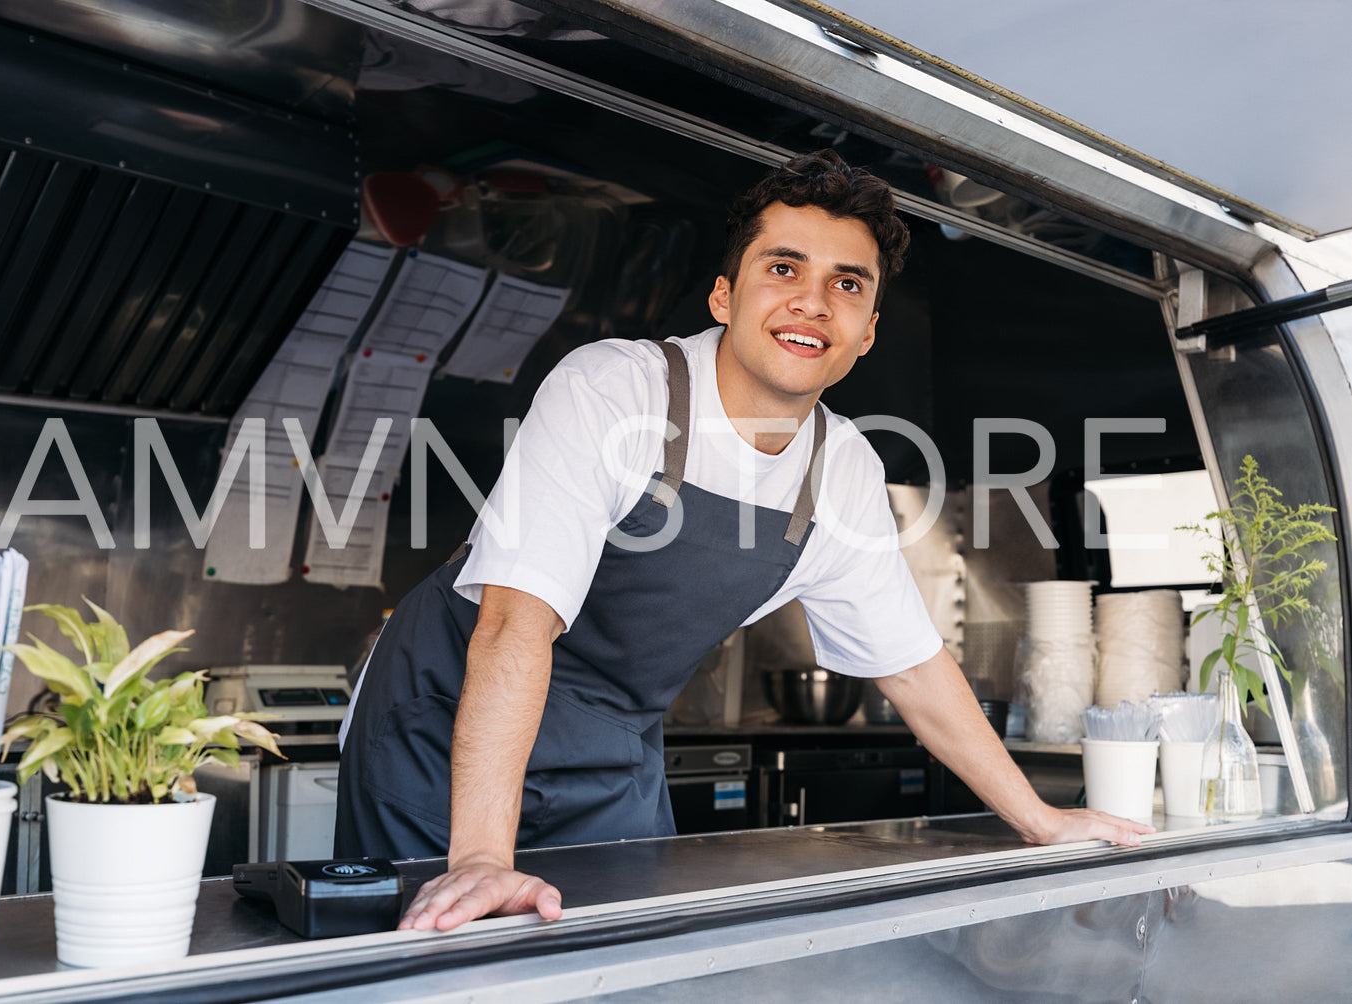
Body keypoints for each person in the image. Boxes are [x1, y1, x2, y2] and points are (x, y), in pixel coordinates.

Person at [334, 150, 1153, 933]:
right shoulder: (616, 390)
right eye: (783, 269)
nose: (811, 302)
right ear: (724, 297)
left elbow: (909, 663)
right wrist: (480, 854)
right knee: (438, 958)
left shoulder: (842, 470)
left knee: (623, 966)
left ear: (866, 331)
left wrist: (1040, 820)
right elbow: (516, 624)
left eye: (846, 284)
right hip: (443, 730)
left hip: (610, 746)